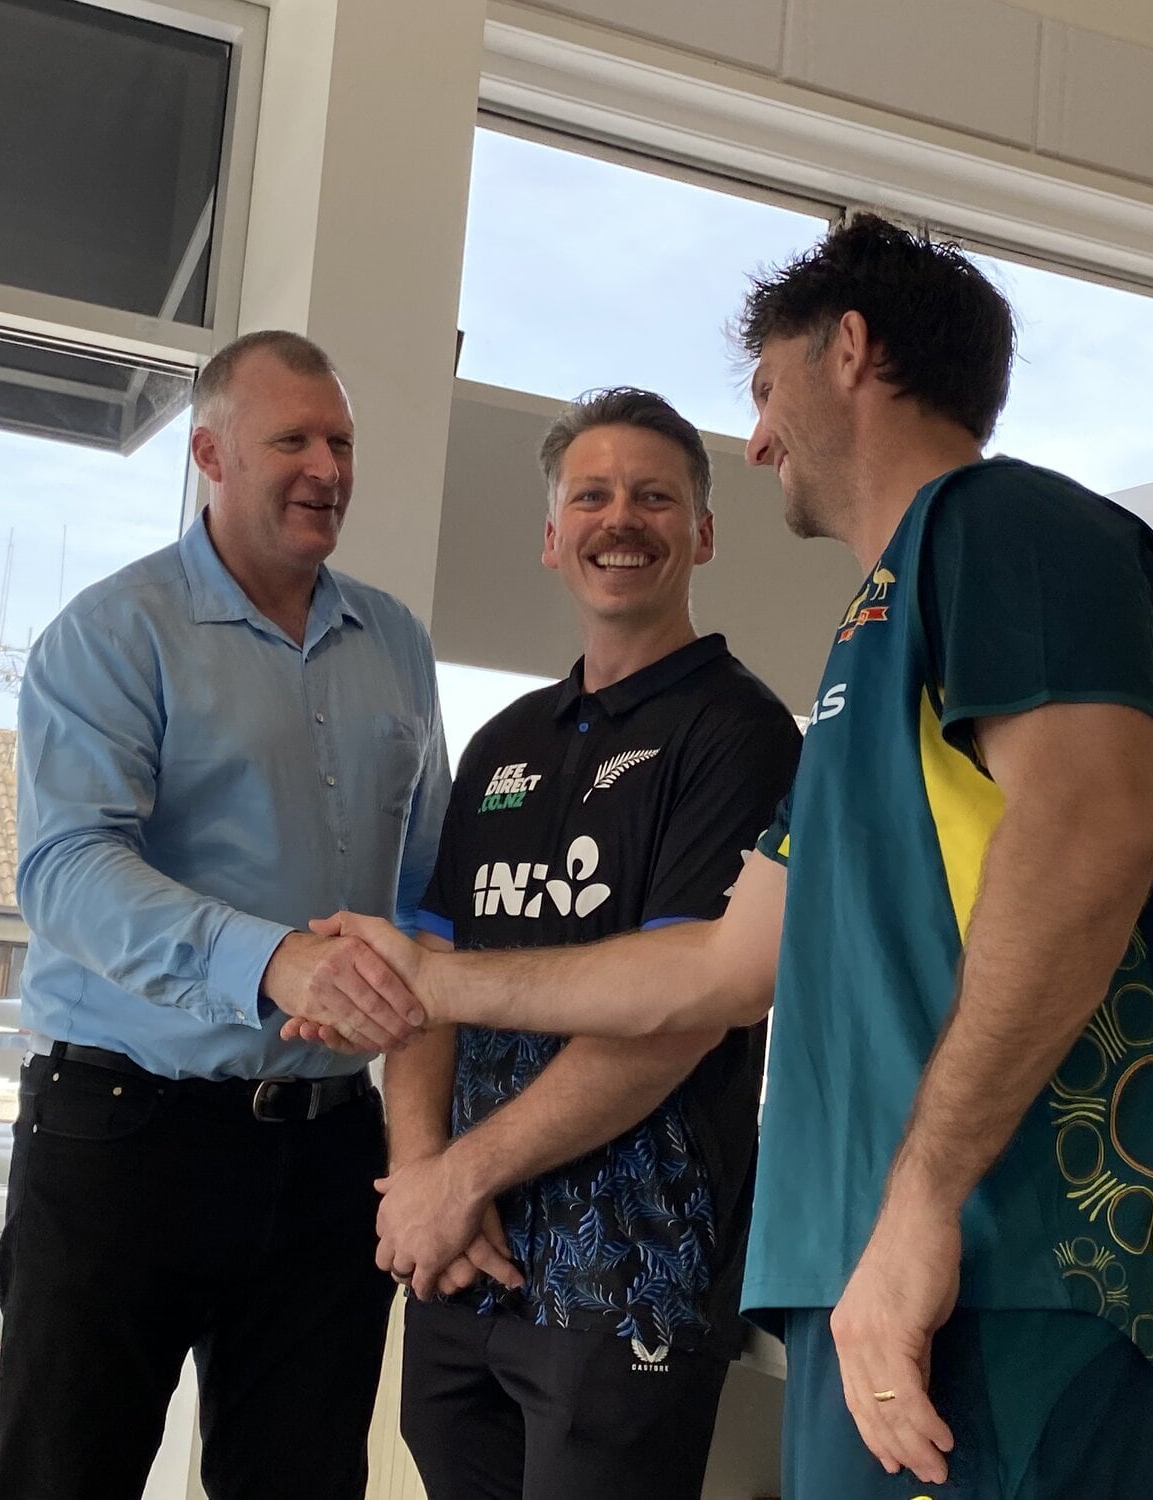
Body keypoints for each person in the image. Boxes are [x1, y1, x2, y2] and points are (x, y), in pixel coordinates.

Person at [298, 217, 1153, 1497]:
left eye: (763, 390)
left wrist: (921, 1202)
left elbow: (1093, 830)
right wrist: (431, 987)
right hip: (874, 1277)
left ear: (851, 353)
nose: (755, 437)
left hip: (1022, 1268)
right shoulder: (865, 648)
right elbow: (716, 967)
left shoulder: (1005, 524)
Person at [0, 329, 446, 1500]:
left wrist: (430, 1132)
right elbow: (66, 868)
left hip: (327, 1147)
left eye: (339, 441)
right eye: (289, 438)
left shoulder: (394, 640)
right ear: (209, 452)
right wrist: (272, 962)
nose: (324, 468)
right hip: (121, 1138)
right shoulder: (110, 632)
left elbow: (426, 888)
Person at [380, 388, 799, 1500]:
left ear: (702, 533)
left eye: (655, 497)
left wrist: (455, 1174)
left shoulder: (740, 736)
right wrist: (423, 1176)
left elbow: (682, 1011)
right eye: (593, 496)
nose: (622, 519)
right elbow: (424, 986)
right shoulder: (501, 743)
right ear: (551, 535)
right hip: (463, 1263)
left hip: (628, 1283)